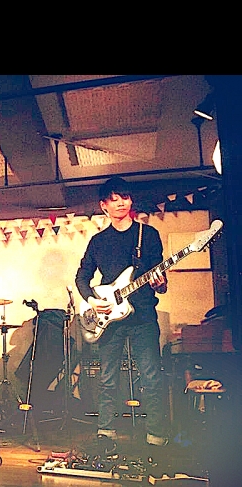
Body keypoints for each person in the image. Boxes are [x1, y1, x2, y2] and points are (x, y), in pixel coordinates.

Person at [75, 176, 169, 454]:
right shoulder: (98, 241)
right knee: (107, 378)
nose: (120, 203)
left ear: (131, 201)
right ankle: (105, 432)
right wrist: (93, 300)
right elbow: (82, 276)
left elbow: (159, 276)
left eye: (124, 197)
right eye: (114, 199)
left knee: (151, 375)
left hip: (143, 316)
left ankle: (156, 435)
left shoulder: (147, 235)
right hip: (111, 319)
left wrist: (160, 283)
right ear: (103, 205)